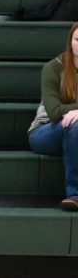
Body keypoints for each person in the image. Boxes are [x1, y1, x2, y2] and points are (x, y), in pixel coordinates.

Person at [27, 21, 78, 210]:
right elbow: (55, 112)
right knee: (75, 125)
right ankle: (75, 194)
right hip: (45, 132)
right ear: (70, 42)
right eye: (77, 39)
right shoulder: (53, 68)